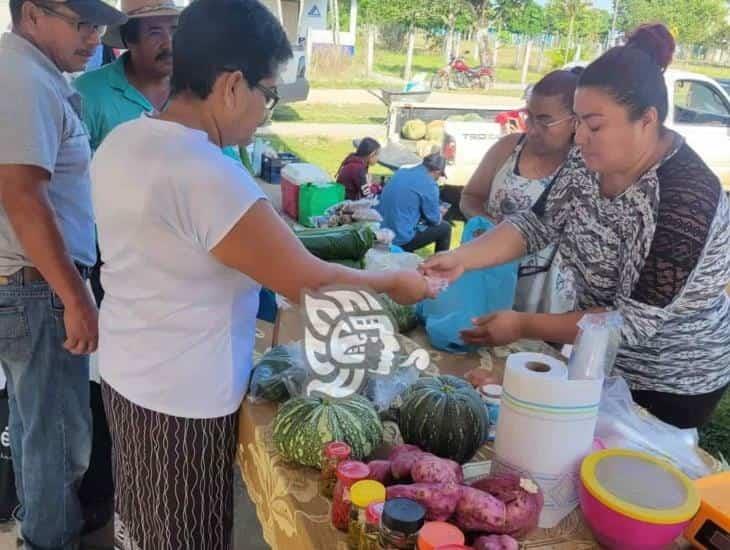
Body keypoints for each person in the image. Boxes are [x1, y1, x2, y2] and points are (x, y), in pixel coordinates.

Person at [90, 0, 433, 547]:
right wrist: (394, 281)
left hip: (130, 370)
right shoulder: (205, 173)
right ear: (231, 85)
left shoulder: (125, 141)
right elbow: (305, 281)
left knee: (142, 521)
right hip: (183, 398)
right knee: (181, 534)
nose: (265, 111)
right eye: (268, 94)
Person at [422, 23, 730, 430]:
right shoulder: (586, 164)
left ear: (647, 120)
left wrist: (523, 323)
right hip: (597, 354)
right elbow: (534, 225)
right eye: (579, 122)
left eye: (595, 125)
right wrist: (461, 258)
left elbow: (630, 322)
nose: (580, 137)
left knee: (624, 470)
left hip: (672, 378)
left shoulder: (685, 199)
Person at [0, 0, 126, 548]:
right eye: (81, 22)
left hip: (30, 284)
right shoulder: (23, 78)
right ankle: (48, 541)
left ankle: (39, 532)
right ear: (31, 14)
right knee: (58, 441)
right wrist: (75, 296)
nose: (94, 35)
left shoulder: (30, 73)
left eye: (99, 24)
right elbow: (22, 194)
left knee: (36, 430)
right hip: (36, 285)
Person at [72, 0, 185, 534]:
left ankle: (156, 483)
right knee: (104, 378)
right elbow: (64, 180)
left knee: (165, 381)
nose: (168, 42)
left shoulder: (195, 89)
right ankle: (100, 492)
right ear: (131, 40)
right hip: (107, 263)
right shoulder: (91, 94)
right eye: (156, 31)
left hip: (181, 271)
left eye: (175, 31)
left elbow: (230, 165)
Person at [460, 68, 582, 314]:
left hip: (543, 295)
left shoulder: (583, 167)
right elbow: (470, 197)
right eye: (530, 116)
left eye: (545, 121)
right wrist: (487, 225)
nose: (533, 129)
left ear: (575, 121)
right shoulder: (508, 148)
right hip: (488, 277)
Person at [378, 153, 452, 253]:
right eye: (440, 175)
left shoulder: (401, 172)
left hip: (380, 231)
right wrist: (440, 214)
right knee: (445, 228)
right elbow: (434, 220)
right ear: (437, 171)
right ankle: (439, 266)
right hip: (399, 239)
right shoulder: (430, 184)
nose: (438, 179)